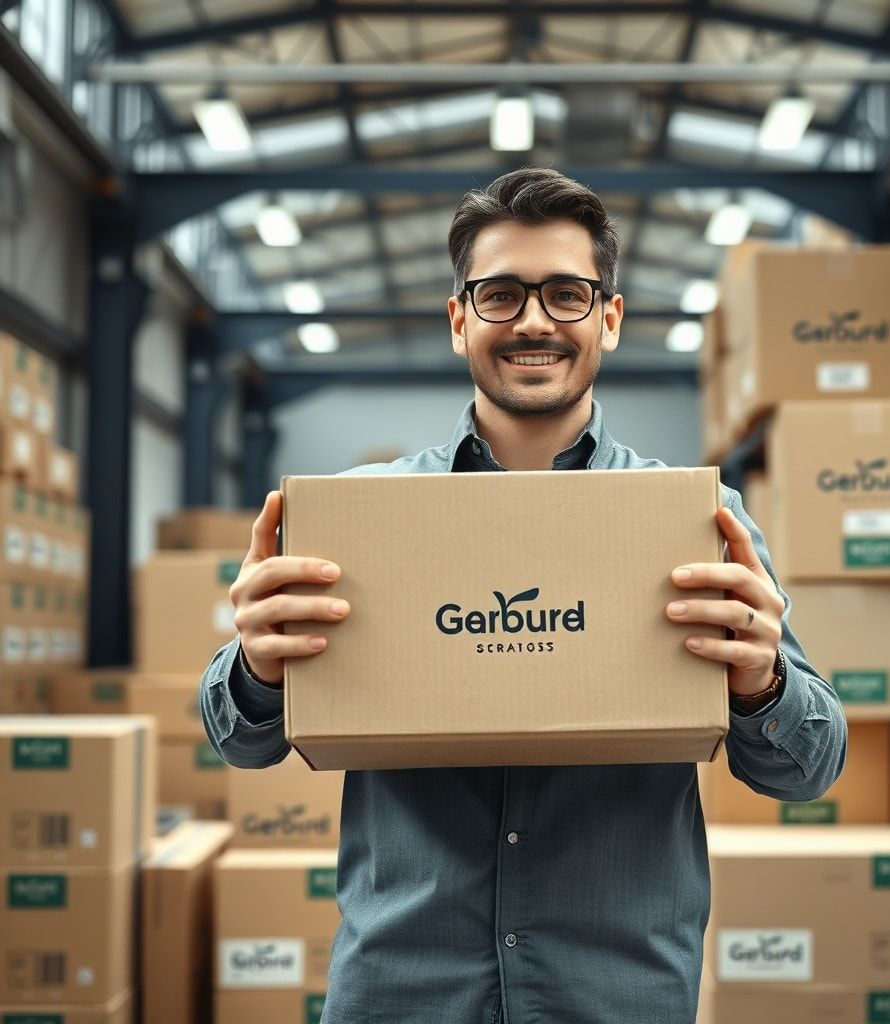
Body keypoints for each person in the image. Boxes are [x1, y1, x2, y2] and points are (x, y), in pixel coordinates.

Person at [199, 167, 847, 1024]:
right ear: (459, 317)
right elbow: (239, 747)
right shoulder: (365, 518)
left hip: (614, 997)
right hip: (403, 992)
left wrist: (763, 684)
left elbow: (809, 770)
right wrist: (254, 667)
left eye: (567, 294)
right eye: (501, 294)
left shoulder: (698, 523)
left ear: (608, 319)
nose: (535, 320)